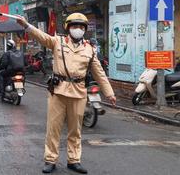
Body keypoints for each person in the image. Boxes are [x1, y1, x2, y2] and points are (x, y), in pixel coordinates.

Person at [16, 13, 116, 174]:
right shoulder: (58, 42)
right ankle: (50, 160)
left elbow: (99, 73)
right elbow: (42, 37)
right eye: (74, 26)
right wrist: (26, 25)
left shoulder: (90, 49)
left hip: (79, 92)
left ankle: (74, 160)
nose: (78, 29)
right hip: (58, 91)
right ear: (68, 28)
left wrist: (109, 93)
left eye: (81, 27)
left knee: (75, 130)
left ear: (85, 29)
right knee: (53, 128)